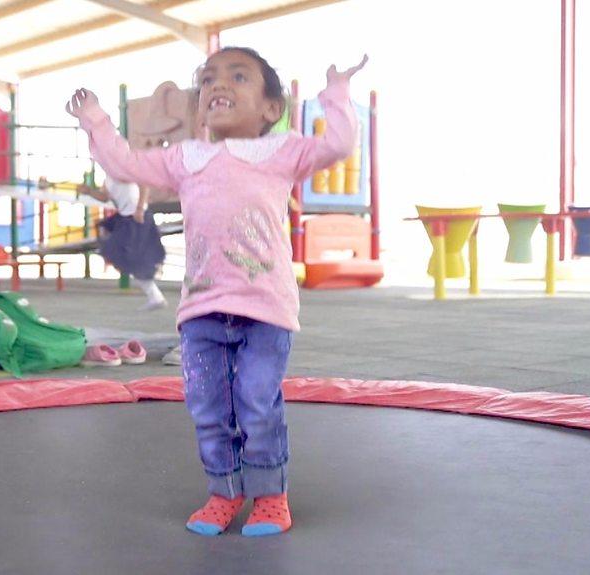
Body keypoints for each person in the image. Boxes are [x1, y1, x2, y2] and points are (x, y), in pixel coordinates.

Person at [67, 47, 367, 537]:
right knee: (207, 403)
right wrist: (94, 119)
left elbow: (338, 144)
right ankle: (224, 491)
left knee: (254, 397)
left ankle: (270, 494)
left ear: (271, 108)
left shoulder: (284, 150)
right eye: (208, 80)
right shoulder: (187, 158)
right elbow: (124, 164)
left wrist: (337, 92)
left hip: (265, 307)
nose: (218, 85)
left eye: (238, 76)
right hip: (202, 307)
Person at [77, 177, 167, 310]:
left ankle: (155, 286)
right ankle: (155, 296)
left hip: (138, 217)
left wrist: (140, 209)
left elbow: (143, 184)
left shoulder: (124, 167)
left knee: (134, 256)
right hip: (125, 218)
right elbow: (104, 196)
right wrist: (89, 191)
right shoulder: (108, 178)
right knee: (123, 256)